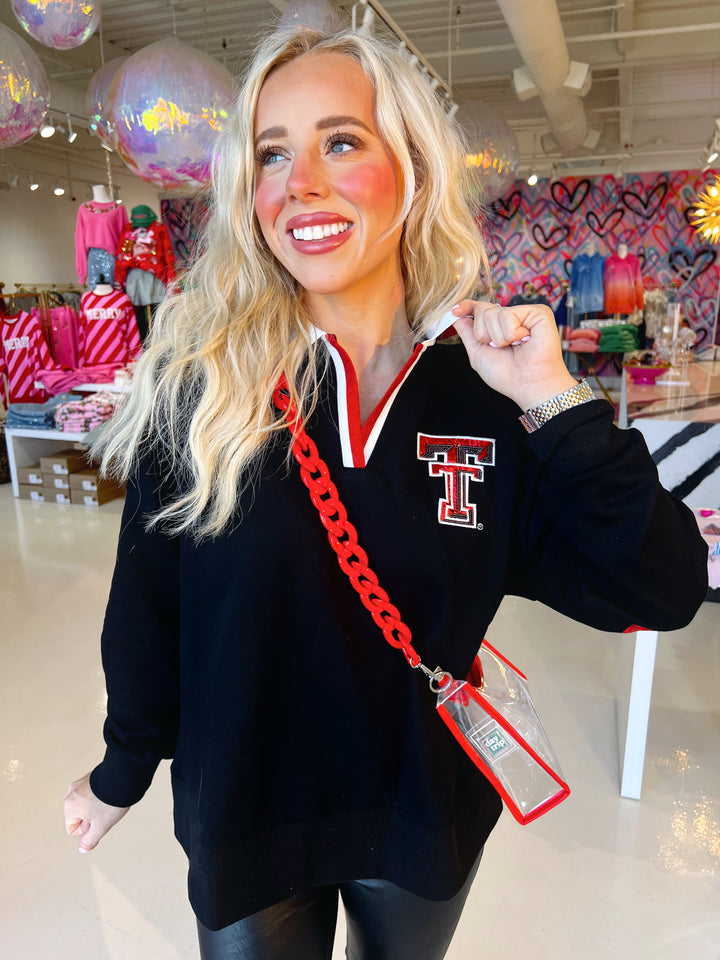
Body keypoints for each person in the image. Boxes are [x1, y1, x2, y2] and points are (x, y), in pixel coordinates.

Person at [63, 24, 708, 960]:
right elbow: (147, 610)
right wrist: (123, 769)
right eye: (272, 153)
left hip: (418, 810)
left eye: (341, 141)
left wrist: (554, 402)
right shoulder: (200, 388)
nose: (301, 183)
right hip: (249, 810)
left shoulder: (484, 394)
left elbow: (660, 586)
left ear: (412, 170)